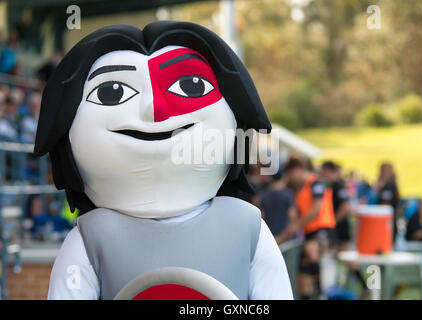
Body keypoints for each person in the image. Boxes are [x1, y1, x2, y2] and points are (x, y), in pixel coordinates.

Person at [35, 21, 292, 300]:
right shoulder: (89, 238)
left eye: (190, 86)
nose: (154, 108)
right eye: (112, 92)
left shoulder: (248, 228)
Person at [285, 157, 336, 299]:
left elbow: (316, 208)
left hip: (323, 230)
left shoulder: (316, 183)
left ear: (296, 170)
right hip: (308, 233)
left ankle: (322, 292)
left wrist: (297, 224)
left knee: (311, 250)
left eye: (290, 174)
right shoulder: (299, 189)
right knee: (302, 278)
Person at [260, 169, 297, 244]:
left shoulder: (264, 195)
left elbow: (261, 218)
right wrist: (282, 237)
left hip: (268, 239)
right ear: (284, 177)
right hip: (285, 240)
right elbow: (293, 218)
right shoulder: (288, 195)